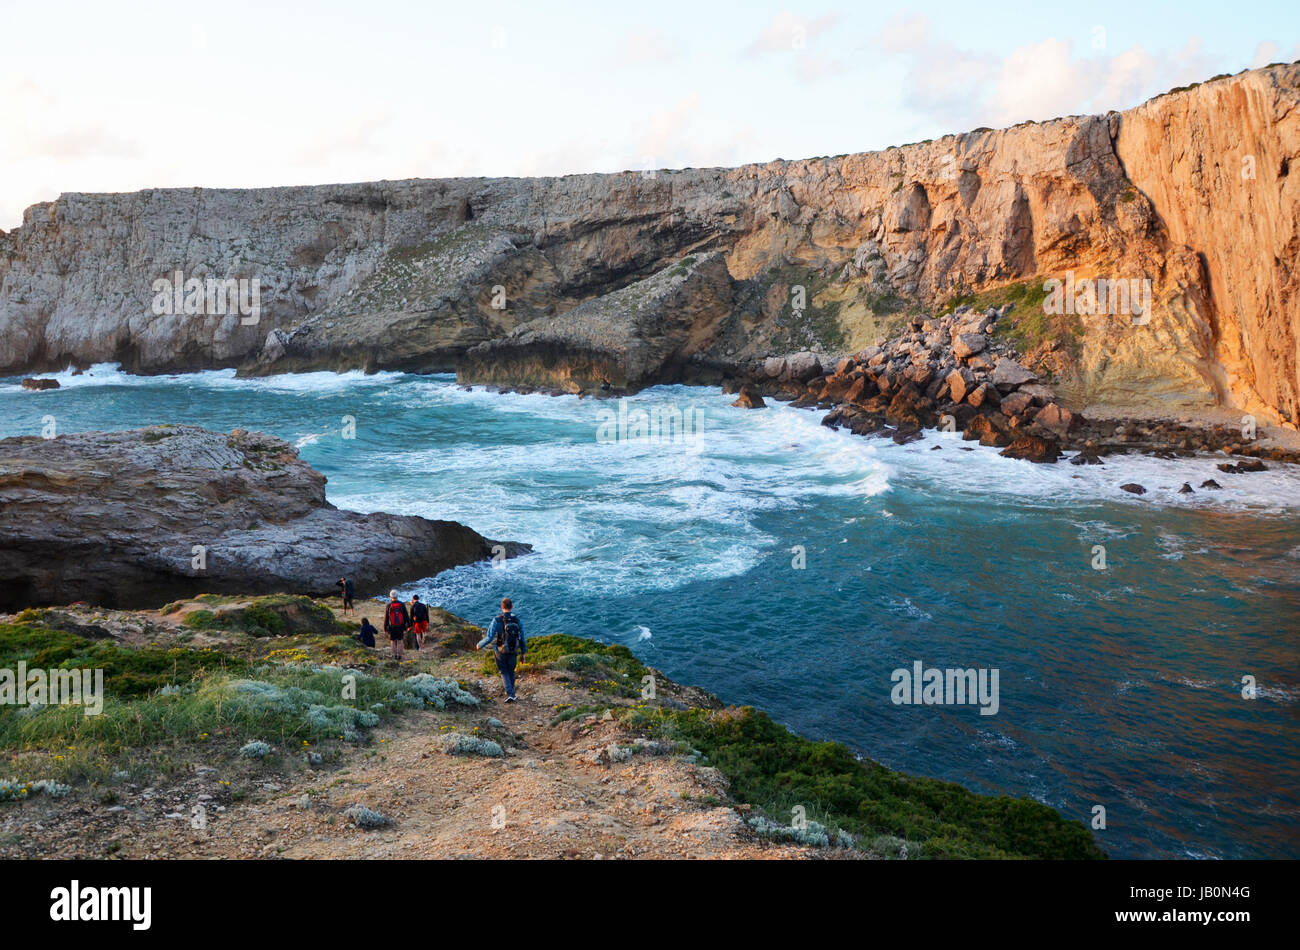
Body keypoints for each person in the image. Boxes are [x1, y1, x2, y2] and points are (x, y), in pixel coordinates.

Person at [476, 597, 525, 702]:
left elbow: (489, 637)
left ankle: (510, 694)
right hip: (514, 650)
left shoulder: (497, 620)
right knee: (511, 670)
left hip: (500, 650)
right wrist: (523, 653)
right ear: (512, 606)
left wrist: (480, 645)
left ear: (502, 607)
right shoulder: (517, 620)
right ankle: (512, 693)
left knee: (503, 671)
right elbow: (522, 638)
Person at [383, 590, 410, 659]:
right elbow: (406, 615)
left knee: (393, 641)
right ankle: (400, 656)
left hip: (392, 626)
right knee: (400, 641)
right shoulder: (402, 604)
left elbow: (386, 618)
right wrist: (408, 625)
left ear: (390, 596)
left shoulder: (388, 605)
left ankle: (394, 655)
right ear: (397, 596)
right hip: (400, 626)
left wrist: (385, 628)